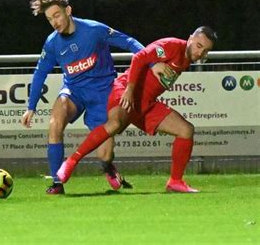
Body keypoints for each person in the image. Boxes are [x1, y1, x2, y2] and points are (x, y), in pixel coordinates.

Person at [57, 26, 217, 193]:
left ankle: (175, 182)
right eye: (199, 46)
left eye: (205, 51)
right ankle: (71, 162)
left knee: (186, 130)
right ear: (190, 38)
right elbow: (140, 57)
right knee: (115, 124)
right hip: (126, 90)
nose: (200, 53)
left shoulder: (186, 59)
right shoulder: (172, 46)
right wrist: (130, 90)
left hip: (145, 104)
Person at [21, 0, 144, 194]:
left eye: (57, 15)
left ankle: (108, 166)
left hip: (103, 93)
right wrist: (31, 107)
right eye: (49, 19)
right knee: (55, 122)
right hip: (74, 91)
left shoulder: (94, 30)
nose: (54, 22)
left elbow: (129, 42)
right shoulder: (52, 43)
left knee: (104, 154)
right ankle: (57, 183)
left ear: (68, 11)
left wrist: (149, 60)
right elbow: (40, 72)